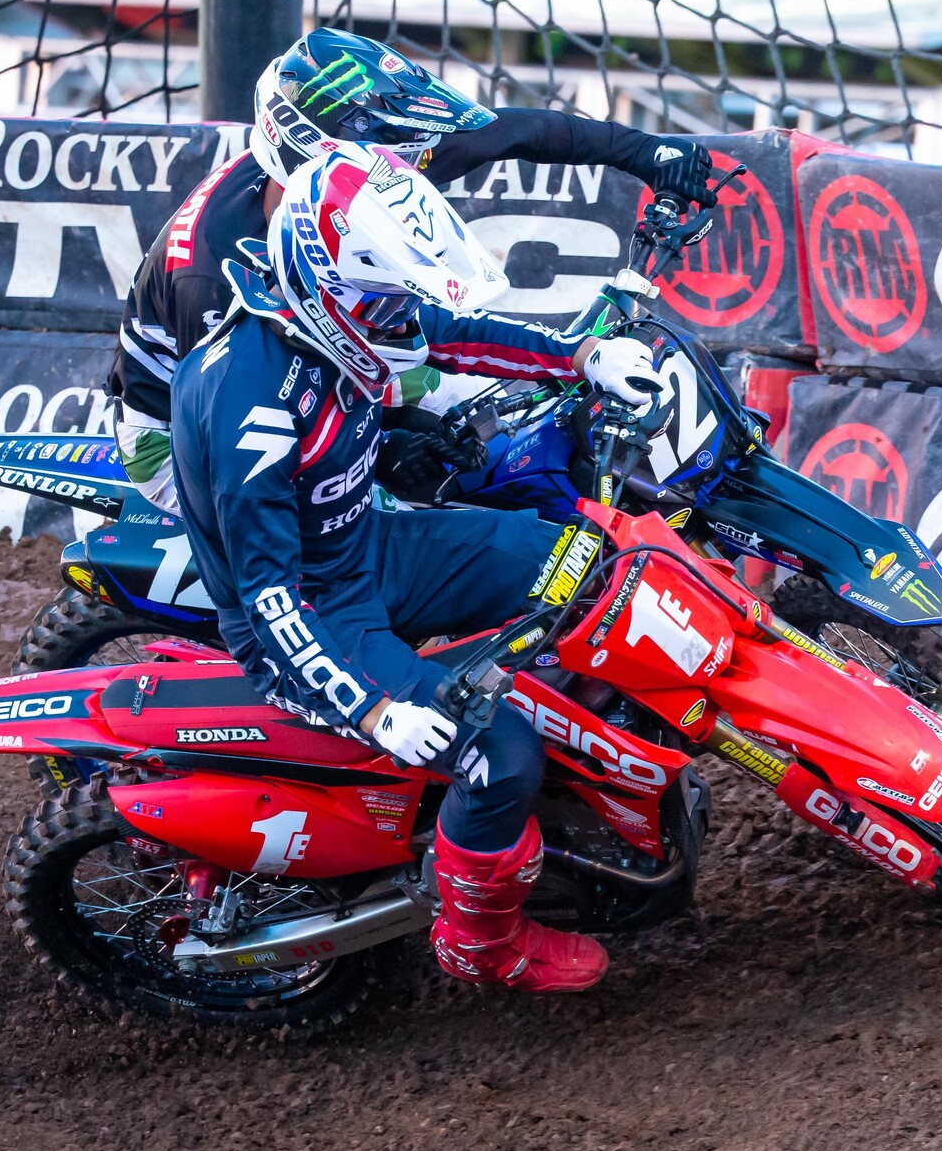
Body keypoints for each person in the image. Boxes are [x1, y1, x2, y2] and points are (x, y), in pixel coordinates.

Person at [168, 144, 665, 993]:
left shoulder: (330, 311)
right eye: (390, 301)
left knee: (583, 561)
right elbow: (271, 597)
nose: (404, 321)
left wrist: (580, 357)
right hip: (315, 617)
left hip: (365, 546)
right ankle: (480, 944)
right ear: (336, 290)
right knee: (499, 752)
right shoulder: (252, 407)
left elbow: (452, 331)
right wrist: (376, 708)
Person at [115, 29, 716, 511]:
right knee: (393, 523)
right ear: (320, 148)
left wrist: (644, 152)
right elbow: (255, 417)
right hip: (183, 436)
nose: (413, 162)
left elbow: (518, 131)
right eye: (398, 147)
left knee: (499, 412)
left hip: (315, 357)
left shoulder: (352, 176)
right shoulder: (213, 272)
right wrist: (383, 448)